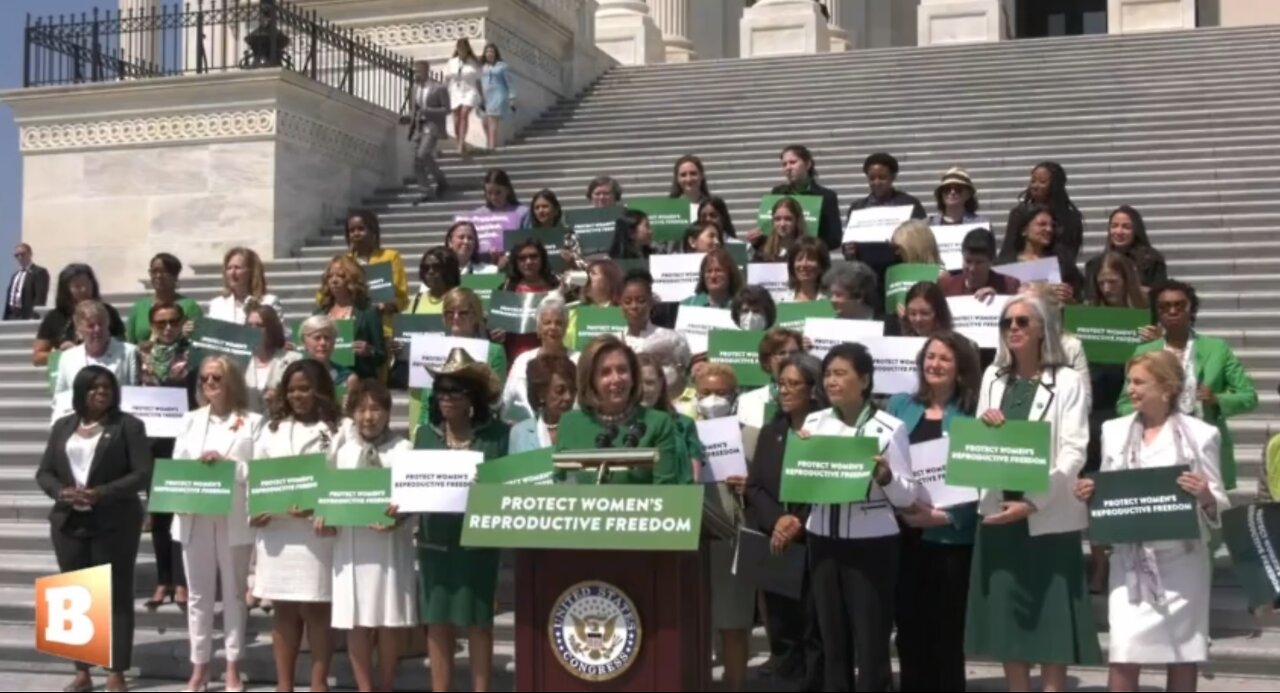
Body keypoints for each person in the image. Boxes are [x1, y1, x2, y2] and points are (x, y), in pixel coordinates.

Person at [965, 294, 1102, 691]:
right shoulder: (992, 376)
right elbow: (978, 443)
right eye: (1008, 322)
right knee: (1008, 614)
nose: (1014, 329)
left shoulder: (1068, 380)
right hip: (997, 509)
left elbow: (1074, 450)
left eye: (1024, 321)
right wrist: (986, 423)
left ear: (1043, 328)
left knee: (1052, 612)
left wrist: (1032, 502)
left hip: (1048, 511)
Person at [1076, 350, 1228, 692]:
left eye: (1139, 382)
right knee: (1124, 651)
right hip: (1130, 561)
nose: (1131, 389)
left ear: (1167, 387)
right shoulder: (1113, 431)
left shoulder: (1201, 435)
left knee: (1183, 652)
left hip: (1183, 563)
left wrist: (1204, 494)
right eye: (1130, 381)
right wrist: (1092, 490)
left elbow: (1219, 504)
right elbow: (1110, 487)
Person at [800, 343, 918, 692]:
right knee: (832, 639)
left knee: (870, 639)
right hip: (822, 539)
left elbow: (908, 494)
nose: (831, 381)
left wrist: (885, 478)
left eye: (840, 373)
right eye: (827, 375)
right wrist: (800, 458)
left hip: (872, 544)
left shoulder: (888, 427)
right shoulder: (813, 423)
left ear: (864, 380)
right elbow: (800, 484)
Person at [36, 365, 152, 693]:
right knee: (71, 595)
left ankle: (115, 671)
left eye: (107, 387)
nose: (102, 392)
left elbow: (142, 473)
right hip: (68, 521)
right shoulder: (63, 427)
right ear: (81, 391)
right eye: (95, 387)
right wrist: (61, 491)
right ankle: (82, 672)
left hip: (114, 521)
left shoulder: (128, 426)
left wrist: (102, 493)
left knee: (114, 595)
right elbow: (44, 472)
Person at [887, 333, 983, 692]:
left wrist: (947, 517)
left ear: (960, 367)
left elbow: (985, 480)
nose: (935, 364)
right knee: (909, 633)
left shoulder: (974, 411)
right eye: (930, 357)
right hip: (903, 534)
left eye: (944, 358)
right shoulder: (899, 405)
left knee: (946, 636)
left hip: (951, 536)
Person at [412, 348, 508, 693]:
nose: (446, 399)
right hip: (435, 538)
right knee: (437, 621)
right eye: (441, 392)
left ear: (473, 398)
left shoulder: (497, 436)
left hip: (478, 540)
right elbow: (413, 488)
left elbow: (505, 486)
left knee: (479, 619)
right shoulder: (425, 436)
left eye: (455, 392)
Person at [170, 356, 262, 693]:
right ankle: (200, 666)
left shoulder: (253, 422)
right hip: (195, 514)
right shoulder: (190, 420)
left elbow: (258, 470)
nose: (210, 383)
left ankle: (233, 666)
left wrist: (228, 466)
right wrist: (196, 466)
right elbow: (177, 466)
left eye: (217, 378)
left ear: (231, 381)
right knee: (198, 596)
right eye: (205, 378)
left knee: (235, 594)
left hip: (234, 515)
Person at [251, 359, 342, 693]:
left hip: (315, 534)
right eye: (291, 390)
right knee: (284, 610)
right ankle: (284, 685)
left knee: (317, 610)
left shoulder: (338, 429)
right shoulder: (271, 428)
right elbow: (254, 477)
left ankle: (319, 684)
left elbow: (345, 478)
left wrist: (323, 507)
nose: (297, 396)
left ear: (319, 389)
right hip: (277, 533)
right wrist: (255, 511)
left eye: (304, 388)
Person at [1119, 280, 1258, 490]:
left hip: (1203, 446)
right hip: (1156, 447)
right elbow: (1123, 405)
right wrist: (1151, 406)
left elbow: (1248, 397)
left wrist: (1216, 399)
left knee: (1209, 513)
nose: (1172, 310)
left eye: (1179, 304)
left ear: (1190, 307)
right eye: (1164, 306)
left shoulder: (1216, 349)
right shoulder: (1145, 352)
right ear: (1157, 312)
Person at [744, 352, 827, 691]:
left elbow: (831, 482)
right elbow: (755, 486)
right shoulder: (772, 431)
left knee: (815, 631)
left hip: (815, 545)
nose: (785, 391)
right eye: (781, 384)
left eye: (794, 384)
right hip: (776, 545)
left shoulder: (830, 431)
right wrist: (778, 520)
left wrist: (799, 522)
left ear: (813, 388)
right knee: (782, 631)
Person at [329, 379, 417, 692]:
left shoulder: (404, 449)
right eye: (362, 409)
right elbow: (329, 497)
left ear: (388, 413)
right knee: (357, 620)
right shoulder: (342, 452)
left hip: (390, 546)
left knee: (389, 618)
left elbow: (415, 500)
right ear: (352, 412)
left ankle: (387, 684)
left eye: (376, 409)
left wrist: (400, 518)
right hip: (352, 546)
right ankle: (365, 687)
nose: (369, 416)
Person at [1083, 252, 1148, 593]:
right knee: (1093, 489)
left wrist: (1149, 337)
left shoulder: (1144, 317)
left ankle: (1128, 558)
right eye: (1102, 281)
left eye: (1113, 280)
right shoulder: (1087, 316)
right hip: (1095, 411)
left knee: (1126, 487)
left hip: (1132, 409)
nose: (1107, 287)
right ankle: (1099, 562)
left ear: (1126, 279)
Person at [692, 362, 754, 692]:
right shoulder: (679, 434)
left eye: (721, 393)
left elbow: (769, 491)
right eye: (705, 393)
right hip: (691, 541)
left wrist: (751, 486)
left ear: (735, 396)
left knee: (734, 624)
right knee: (691, 622)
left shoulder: (752, 437)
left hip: (734, 541)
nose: (713, 400)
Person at [554, 336, 687, 484]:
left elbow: (666, 490)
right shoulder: (569, 423)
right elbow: (559, 484)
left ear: (633, 377)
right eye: (605, 372)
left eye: (622, 370)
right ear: (590, 379)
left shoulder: (658, 423)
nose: (616, 379)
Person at [138, 303, 193, 613]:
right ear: (152, 325)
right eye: (161, 323)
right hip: (151, 443)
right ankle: (163, 580)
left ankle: (182, 581)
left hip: (183, 440)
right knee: (159, 514)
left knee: (181, 512)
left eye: (173, 321)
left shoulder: (192, 352)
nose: (168, 327)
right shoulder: (140, 353)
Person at [408, 288, 508, 441]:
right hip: (439, 433)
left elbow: (495, 400)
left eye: (463, 313)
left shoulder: (494, 352)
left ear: (476, 316)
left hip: (479, 434)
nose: (455, 317)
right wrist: (421, 433)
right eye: (449, 313)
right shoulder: (433, 348)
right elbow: (427, 401)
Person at [32, 264, 125, 366]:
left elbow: (123, 345)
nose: (84, 290)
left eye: (87, 284)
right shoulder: (55, 317)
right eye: (77, 287)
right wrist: (64, 354)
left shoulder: (107, 312)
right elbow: (37, 358)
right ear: (66, 290)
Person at [501, 296, 575, 423]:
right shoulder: (522, 361)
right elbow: (506, 402)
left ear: (565, 328)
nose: (553, 327)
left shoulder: (578, 359)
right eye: (547, 322)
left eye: (559, 323)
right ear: (538, 329)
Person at [314, 255, 388, 381]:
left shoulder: (368, 312)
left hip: (359, 382)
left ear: (352, 280)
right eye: (330, 276)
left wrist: (369, 351)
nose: (334, 280)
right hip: (326, 383)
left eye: (341, 276)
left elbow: (381, 355)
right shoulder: (319, 313)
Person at [619, 269, 692, 391]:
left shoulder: (671, 339)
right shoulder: (615, 341)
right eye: (627, 302)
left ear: (651, 302)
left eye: (641, 301)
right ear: (620, 304)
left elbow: (684, 369)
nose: (634, 306)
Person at [997, 204, 1086, 303]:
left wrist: (1070, 298)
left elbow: (1081, 298)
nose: (1049, 229)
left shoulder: (1063, 263)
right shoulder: (1006, 265)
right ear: (1024, 230)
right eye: (1042, 224)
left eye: (1052, 225)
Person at [765, 145, 842, 252]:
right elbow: (770, 231)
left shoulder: (827, 196)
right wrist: (757, 238)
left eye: (793, 162)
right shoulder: (777, 193)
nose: (788, 168)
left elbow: (835, 239)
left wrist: (812, 245)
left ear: (807, 164)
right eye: (784, 164)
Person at [497, 237, 562, 365]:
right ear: (515, 262)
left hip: (552, 353)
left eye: (533, 256)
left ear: (542, 258)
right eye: (522, 258)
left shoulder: (555, 285)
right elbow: (499, 323)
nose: (528, 262)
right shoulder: (507, 287)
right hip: (518, 354)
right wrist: (498, 333)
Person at [54, 300, 140, 396]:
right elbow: (60, 397)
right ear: (79, 329)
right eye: (91, 326)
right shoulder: (67, 357)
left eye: (101, 324)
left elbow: (135, 394)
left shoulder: (129, 352)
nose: (97, 330)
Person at [1005, 161, 1084, 262]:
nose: (1035, 186)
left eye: (1042, 182)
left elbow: (1070, 255)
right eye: (1033, 181)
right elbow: (1008, 251)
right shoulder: (1019, 214)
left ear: (1055, 185)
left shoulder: (1071, 219)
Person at [1084, 206, 1168, 297]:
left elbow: (1160, 296)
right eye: (1114, 226)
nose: (1119, 232)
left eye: (1126, 227)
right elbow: (1090, 298)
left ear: (1136, 231)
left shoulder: (1153, 260)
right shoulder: (1095, 264)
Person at [345, 210, 411, 321]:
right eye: (351, 230)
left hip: (383, 324)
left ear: (373, 231)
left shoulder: (390, 256)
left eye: (361, 229)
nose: (356, 234)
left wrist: (390, 305)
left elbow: (402, 295)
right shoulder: (345, 261)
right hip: (354, 324)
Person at [401, 59, 450, 204]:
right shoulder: (414, 88)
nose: (415, 74)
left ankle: (425, 190)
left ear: (426, 71)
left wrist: (427, 111)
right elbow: (414, 109)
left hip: (432, 127)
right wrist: (408, 118)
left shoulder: (439, 88)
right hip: (419, 127)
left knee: (420, 157)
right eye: (414, 71)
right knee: (424, 158)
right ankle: (440, 182)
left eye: (418, 71)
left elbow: (446, 109)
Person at [125, 253, 203, 345]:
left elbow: (198, 338)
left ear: (175, 276)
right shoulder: (138, 308)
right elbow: (130, 343)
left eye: (163, 271)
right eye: (154, 271)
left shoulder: (190, 306)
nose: (158, 276)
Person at [737, 328, 803, 429]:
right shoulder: (747, 401)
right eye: (781, 353)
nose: (788, 358)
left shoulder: (811, 399)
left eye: (794, 353)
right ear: (768, 361)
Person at [510, 353, 577, 452]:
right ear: (541, 394)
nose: (568, 397)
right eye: (560, 391)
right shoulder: (519, 433)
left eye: (573, 390)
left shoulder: (583, 430)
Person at [243, 305, 302, 415]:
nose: (253, 329)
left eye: (259, 325)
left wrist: (280, 397)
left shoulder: (293, 359)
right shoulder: (239, 362)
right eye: (249, 325)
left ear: (271, 329)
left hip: (282, 423)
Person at [207, 247, 283, 324]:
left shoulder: (269, 302)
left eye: (237, 268)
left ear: (251, 272)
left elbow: (278, 334)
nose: (232, 273)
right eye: (229, 268)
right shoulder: (217, 304)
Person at [938, 227, 1021, 298]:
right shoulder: (949, 287)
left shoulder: (1010, 286)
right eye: (968, 261)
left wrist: (998, 300)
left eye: (979, 262)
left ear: (991, 261)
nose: (972, 268)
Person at [847, 152, 928, 221]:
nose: (877, 183)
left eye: (882, 178)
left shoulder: (910, 204)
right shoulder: (857, 208)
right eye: (872, 178)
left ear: (893, 177)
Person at [566, 260, 622, 351]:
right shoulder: (574, 312)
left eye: (593, 273)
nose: (587, 278)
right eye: (587, 273)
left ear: (608, 280)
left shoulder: (623, 312)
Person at [299, 314, 358, 398]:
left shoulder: (347, 378)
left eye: (327, 338)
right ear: (304, 342)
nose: (323, 343)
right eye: (317, 338)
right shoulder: (294, 375)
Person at [446, 38, 483, 157]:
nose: (461, 51)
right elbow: (446, 79)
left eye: (464, 49)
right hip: (455, 91)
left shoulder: (474, 63)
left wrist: (482, 97)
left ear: (467, 49)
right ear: (457, 49)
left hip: (470, 91)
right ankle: (460, 141)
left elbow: (478, 81)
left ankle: (461, 144)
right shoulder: (452, 62)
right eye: (459, 48)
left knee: (464, 114)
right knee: (456, 118)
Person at [480, 43, 514, 152]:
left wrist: (512, 98)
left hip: (498, 95)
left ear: (495, 53)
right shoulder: (482, 67)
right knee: (484, 122)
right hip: (486, 97)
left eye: (491, 52)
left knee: (492, 120)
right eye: (487, 52)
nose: (489, 54)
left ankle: (491, 146)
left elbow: (509, 82)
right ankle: (490, 141)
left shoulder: (502, 66)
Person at [4, 242, 49, 320]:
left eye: (22, 254)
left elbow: (40, 298)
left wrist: (34, 317)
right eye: (17, 255)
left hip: (27, 316)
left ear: (30, 254)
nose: (20, 257)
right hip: (11, 317)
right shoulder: (15, 275)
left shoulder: (39, 272)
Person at [756, 197, 809, 262]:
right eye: (777, 219)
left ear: (797, 220)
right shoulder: (763, 251)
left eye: (788, 219)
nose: (782, 224)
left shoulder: (807, 249)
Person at [784, 236, 830, 303]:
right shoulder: (783, 300)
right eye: (799, 259)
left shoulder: (831, 300)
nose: (804, 264)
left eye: (811, 259)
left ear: (821, 265)